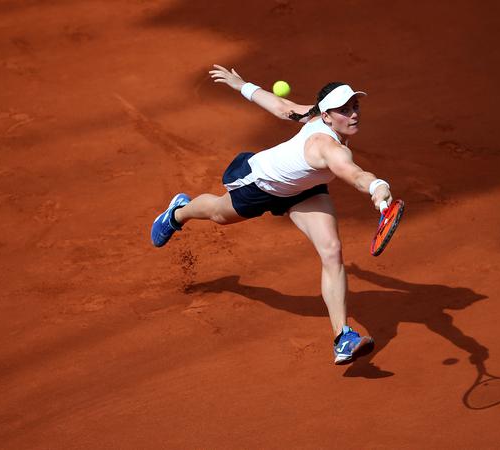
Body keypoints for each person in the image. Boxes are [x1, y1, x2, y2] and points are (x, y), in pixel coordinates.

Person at [150, 65, 394, 365]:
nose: (353, 114)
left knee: (331, 251)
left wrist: (242, 85)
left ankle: (343, 337)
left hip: (307, 190)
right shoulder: (328, 147)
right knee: (218, 215)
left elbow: (282, 107)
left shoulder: (318, 115)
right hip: (261, 184)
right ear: (326, 115)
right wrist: (376, 185)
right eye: (344, 110)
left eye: (354, 106)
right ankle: (177, 213)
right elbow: (353, 173)